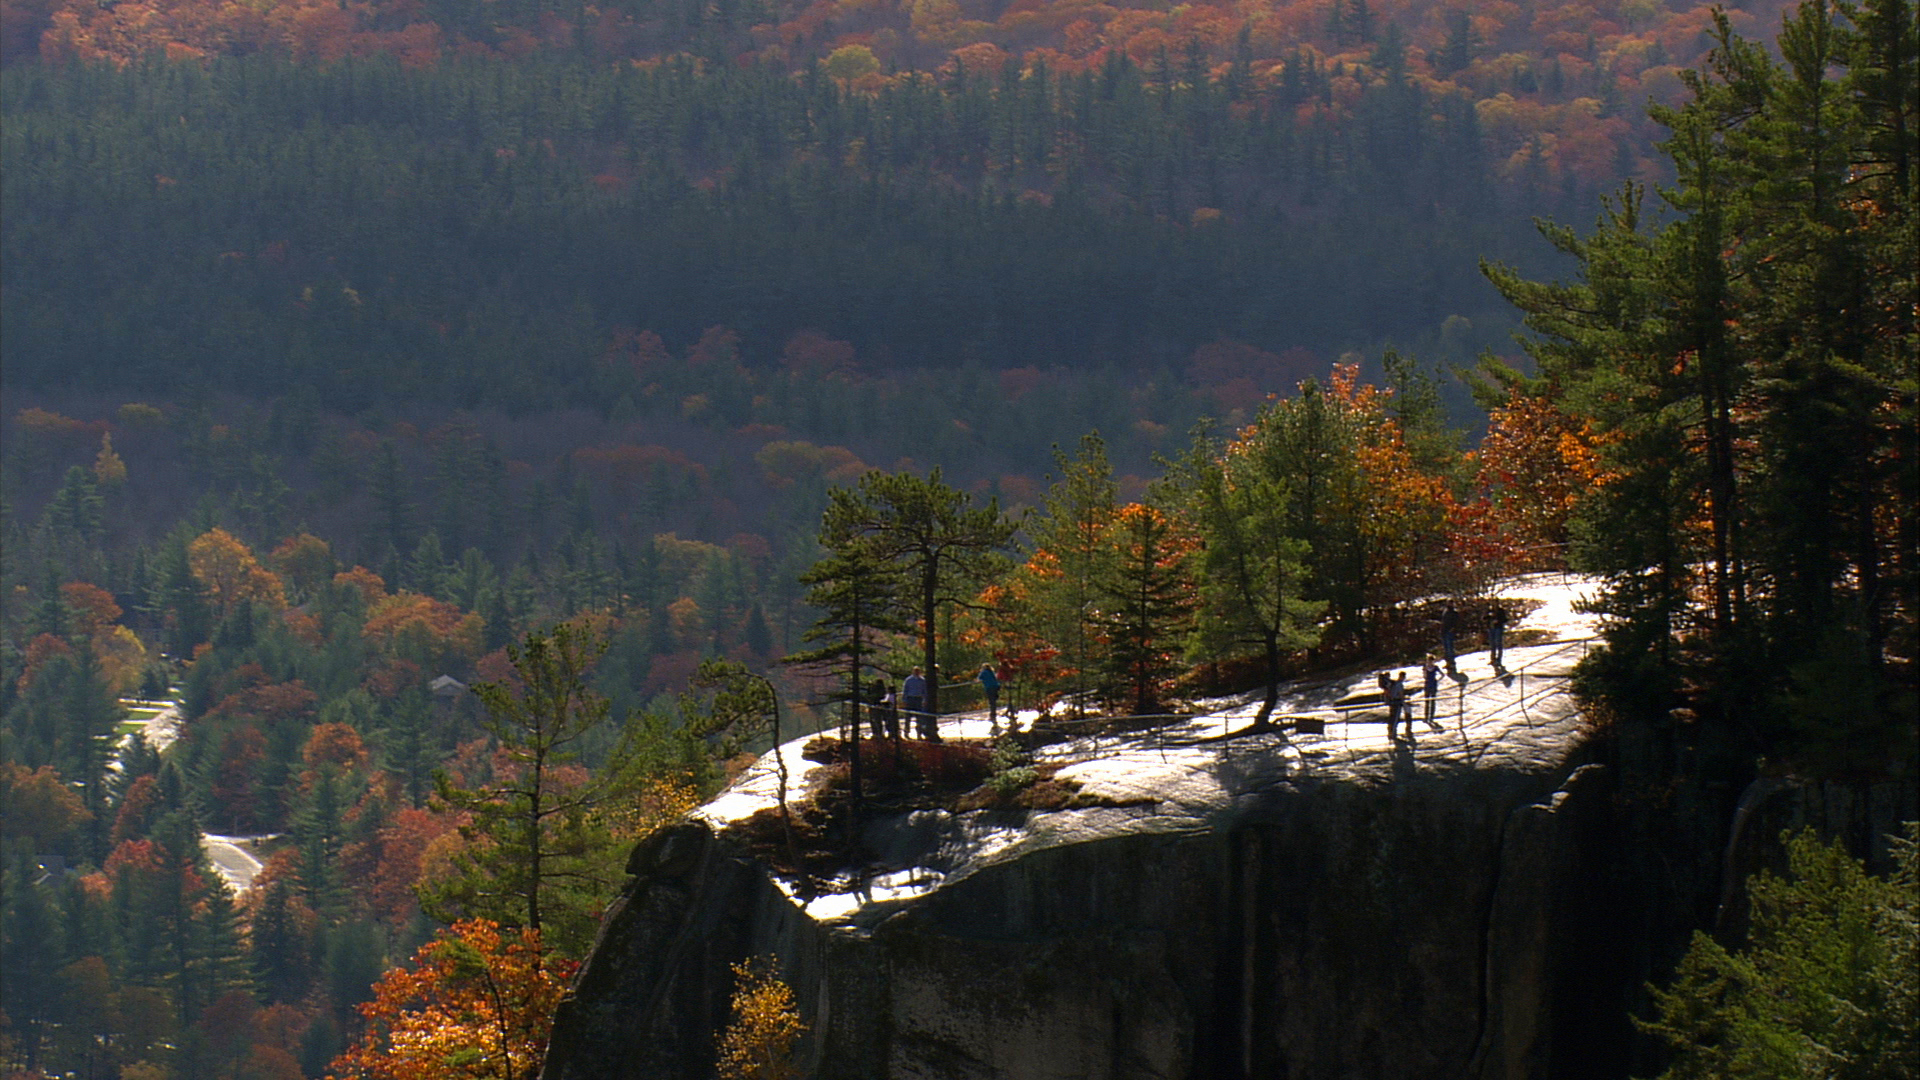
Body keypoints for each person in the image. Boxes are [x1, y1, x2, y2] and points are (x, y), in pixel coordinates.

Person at [902, 667, 932, 740]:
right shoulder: (908, 680)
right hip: (910, 698)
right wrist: (904, 700)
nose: (916, 672)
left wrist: (925, 700)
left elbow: (924, 691)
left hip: (918, 699)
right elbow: (905, 690)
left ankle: (919, 733)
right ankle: (906, 732)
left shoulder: (922, 680)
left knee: (919, 718)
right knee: (908, 717)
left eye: (918, 671)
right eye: (915, 671)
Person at [977, 663, 1002, 733]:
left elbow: (978, 679)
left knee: (991, 701)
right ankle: (993, 713)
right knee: (994, 701)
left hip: (989, 687)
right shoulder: (991, 672)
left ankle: (993, 714)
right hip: (996, 687)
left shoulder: (983, 672)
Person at [1421, 655, 1442, 731]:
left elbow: (1442, 674)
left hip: (1432, 684)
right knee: (1427, 702)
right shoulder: (1425, 667)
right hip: (1428, 685)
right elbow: (1424, 676)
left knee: (1432, 701)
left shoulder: (1435, 667)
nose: (1429, 662)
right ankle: (1426, 717)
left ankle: (1431, 717)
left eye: (1430, 661)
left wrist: (1437, 680)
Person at [1439, 601, 1460, 672]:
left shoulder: (1454, 613)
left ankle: (1452, 662)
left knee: (1450, 648)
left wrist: (1453, 629)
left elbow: (1457, 623)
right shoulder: (1445, 611)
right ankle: (1448, 662)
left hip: (1449, 632)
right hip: (1444, 631)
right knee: (1446, 648)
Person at [1487, 604, 1509, 669]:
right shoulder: (1489, 610)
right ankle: (1493, 659)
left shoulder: (1500, 611)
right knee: (1492, 644)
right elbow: (1484, 618)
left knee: (1498, 644)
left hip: (1498, 628)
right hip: (1491, 628)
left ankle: (1499, 660)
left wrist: (1498, 621)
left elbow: (1505, 619)